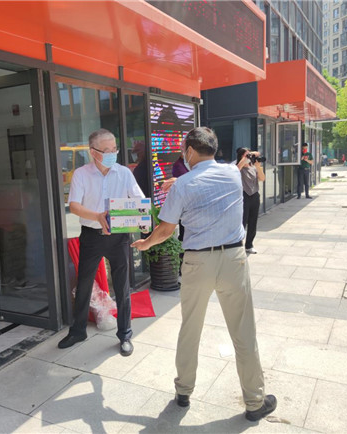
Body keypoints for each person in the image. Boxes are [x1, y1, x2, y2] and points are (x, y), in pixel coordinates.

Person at [132, 127, 276, 421]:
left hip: (197, 262)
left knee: (190, 328)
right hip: (233, 260)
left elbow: (166, 229)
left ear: (190, 151)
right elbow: (220, 174)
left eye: (183, 150)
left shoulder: (183, 185)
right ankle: (254, 402)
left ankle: (183, 391)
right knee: (244, 331)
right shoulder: (232, 174)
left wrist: (146, 243)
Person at [58, 129, 144, 356]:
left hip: (118, 237)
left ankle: (125, 335)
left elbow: (138, 200)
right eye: (106, 150)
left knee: (122, 286)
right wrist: (97, 216)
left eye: (114, 149)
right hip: (91, 235)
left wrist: (140, 218)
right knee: (84, 283)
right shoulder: (81, 174)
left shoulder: (124, 173)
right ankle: (78, 331)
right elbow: (74, 206)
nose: (112, 153)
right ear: (93, 152)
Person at [236, 148, 265, 254]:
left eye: (249, 156)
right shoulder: (238, 167)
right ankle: (238, 244)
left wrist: (258, 166)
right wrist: (243, 161)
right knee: (242, 222)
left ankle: (249, 245)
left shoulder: (253, 167)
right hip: (244, 196)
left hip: (254, 195)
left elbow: (262, 178)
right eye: (246, 155)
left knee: (253, 222)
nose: (249, 158)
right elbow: (235, 171)